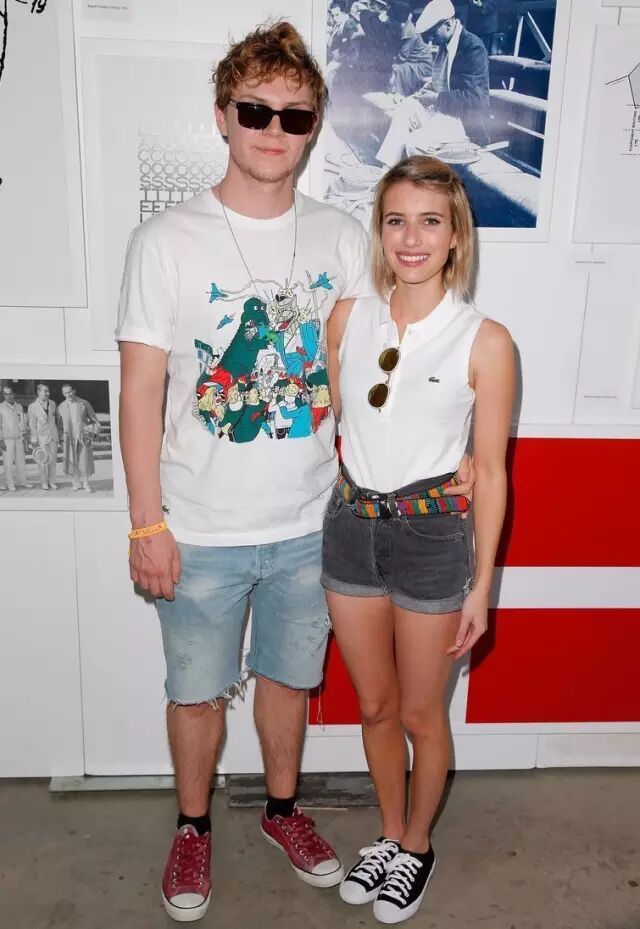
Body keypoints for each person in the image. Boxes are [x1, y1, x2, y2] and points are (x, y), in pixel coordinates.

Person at [116, 19, 409, 924]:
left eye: (294, 115)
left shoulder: (341, 238)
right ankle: (193, 824)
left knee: (288, 679)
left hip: (310, 523)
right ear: (223, 116)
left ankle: (282, 811)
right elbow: (140, 392)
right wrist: (146, 522)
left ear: (314, 125)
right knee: (195, 691)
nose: (274, 131)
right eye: (255, 110)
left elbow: (372, 373)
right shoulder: (166, 241)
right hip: (196, 526)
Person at [323, 155, 514, 924]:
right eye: (397, 220)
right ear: (380, 230)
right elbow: (324, 422)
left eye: (430, 221)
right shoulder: (347, 318)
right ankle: (389, 832)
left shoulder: (485, 340)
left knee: (419, 715)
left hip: (432, 538)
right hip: (349, 530)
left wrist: (483, 586)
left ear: (455, 236)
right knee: (374, 705)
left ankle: (418, 845)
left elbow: (491, 472)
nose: (411, 237)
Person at [376, 0, 491, 167]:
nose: (431, 38)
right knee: (405, 107)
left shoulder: (473, 47)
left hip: (464, 122)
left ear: (448, 24)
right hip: (442, 113)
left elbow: (475, 98)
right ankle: (387, 169)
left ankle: (426, 180)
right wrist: (429, 89)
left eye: (432, 32)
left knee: (414, 142)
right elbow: (446, 81)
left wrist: (436, 98)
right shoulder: (447, 43)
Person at [58, 384, 101, 493]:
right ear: (63, 394)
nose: (68, 394)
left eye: (70, 392)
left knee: (84, 461)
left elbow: (94, 419)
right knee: (72, 461)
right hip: (69, 438)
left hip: (83, 436)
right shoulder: (61, 406)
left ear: (74, 390)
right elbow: (59, 425)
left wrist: (93, 431)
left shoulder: (84, 403)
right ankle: (76, 484)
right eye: (66, 393)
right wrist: (61, 438)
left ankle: (86, 484)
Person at [0, 385, 33, 491]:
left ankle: (22, 481)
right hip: (7, 439)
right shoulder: (1, 407)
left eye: (10, 393)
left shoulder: (19, 407)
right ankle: (10, 483)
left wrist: (25, 437)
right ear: (3, 395)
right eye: (6, 394)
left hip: (19, 438)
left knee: (21, 462)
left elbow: (22, 423)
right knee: (8, 463)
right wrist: (1, 440)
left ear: (14, 394)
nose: (8, 396)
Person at [27, 383, 59, 491]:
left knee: (53, 461)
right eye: (45, 391)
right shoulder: (32, 406)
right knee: (42, 461)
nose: (47, 393)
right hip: (41, 438)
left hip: (53, 437)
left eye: (48, 391)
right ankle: (44, 482)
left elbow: (57, 420)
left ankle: (52, 482)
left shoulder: (53, 403)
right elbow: (32, 425)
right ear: (38, 392)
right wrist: (34, 439)